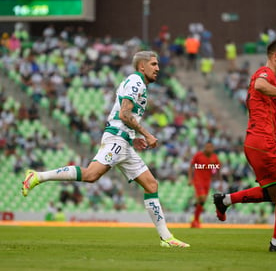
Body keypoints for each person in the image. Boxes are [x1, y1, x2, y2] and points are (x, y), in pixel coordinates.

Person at [21, 51, 189, 248]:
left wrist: (132, 138)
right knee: (91, 175)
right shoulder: (136, 81)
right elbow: (124, 114)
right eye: (153, 64)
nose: (157, 68)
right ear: (142, 66)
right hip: (117, 138)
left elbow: (124, 117)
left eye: (157, 64)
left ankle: (166, 238)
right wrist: (146, 134)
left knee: (151, 185)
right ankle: (38, 176)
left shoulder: (138, 83)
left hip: (123, 140)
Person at [213, 40, 276, 252]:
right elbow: (259, 85)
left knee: (275, 194)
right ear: (275, 56)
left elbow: (263, 115)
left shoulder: (269, 79)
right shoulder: (265, 74)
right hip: (260, 142)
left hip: (259, 142)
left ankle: (225, 200)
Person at [188, 141, 221, 228]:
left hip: (207, 182)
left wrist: (220, 182)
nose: (208, 149)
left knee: (202, 202)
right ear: (204, 147)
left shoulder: (214, 157)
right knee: (202, 198)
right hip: (198, 180)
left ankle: (195, 220)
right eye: (207, 147)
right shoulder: (198, 155)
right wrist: (190, 179)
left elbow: (218, 169)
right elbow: (191, 166)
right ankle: (195, 219)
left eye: (210, 147)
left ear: (213, 148)